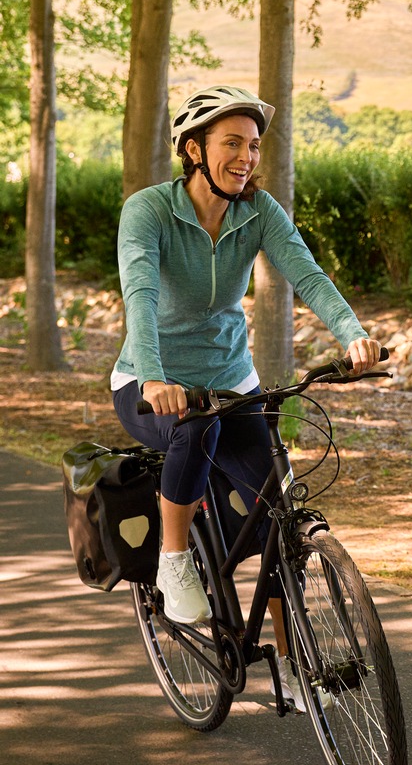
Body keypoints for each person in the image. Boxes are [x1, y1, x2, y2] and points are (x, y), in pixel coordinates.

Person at [111, 84, 382, 712]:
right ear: (193, 149)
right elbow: (141, 294)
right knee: (194, 430)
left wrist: (354, 335)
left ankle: (297, 666)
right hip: (149, 384)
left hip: (232, 380)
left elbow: (306, 272)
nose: (245, 157)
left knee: (275, 514)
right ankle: (174, 562)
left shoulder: (258, 211)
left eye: (253, 146)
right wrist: (156, 376)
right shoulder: (149, 210)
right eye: (231, 142)